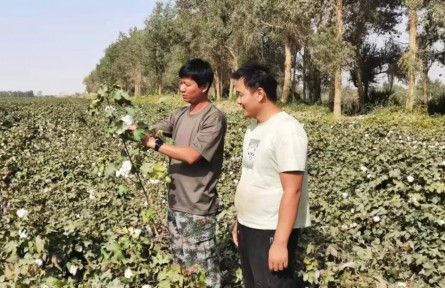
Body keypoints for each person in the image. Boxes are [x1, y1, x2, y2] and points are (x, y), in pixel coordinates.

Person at [134, 58, 226, 287]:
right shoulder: (180, 115)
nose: (182, 89)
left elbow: (192, 155)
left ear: (204, 86)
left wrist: (154, 144)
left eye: (188, 84)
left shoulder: (213, 118)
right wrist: (133, 128)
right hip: (176, 204)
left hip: (198, 207)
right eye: (180, 83)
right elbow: (156, 127)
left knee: (205, 273)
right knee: (183, 268)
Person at [231, 63, 310, 288]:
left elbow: (292, 190)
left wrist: (280, 242)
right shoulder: (253, 129)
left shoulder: (287, 131)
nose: (237, 101)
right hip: (250, 226)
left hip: (270, 229)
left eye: (240, 94)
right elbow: (253, 178)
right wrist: (240, 220)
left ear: (259, 93)